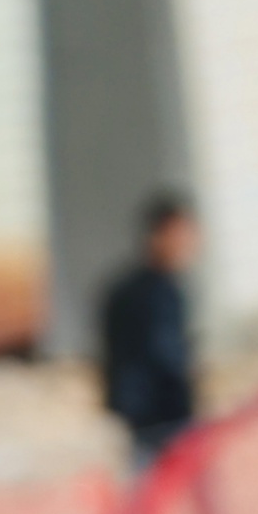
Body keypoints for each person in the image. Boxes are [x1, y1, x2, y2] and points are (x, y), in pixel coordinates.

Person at [92, 188, 202, 483]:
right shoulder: (159, 293)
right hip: (160, 421)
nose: (189, 244)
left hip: (135, 418)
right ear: (158, 236)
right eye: (181, 234)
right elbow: (166, 358)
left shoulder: (124, 287)